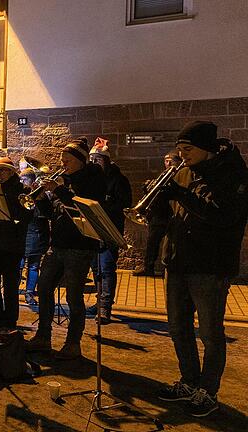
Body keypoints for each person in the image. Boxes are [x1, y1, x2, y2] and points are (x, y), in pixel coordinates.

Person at [155, 121, 248, 418]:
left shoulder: (232, 174)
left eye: (188, 149)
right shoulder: (184, 171)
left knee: (210, 333)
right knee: (178, 329)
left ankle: (208, 391)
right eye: (179, 149)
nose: (182, 155)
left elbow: (222, 216)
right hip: (178, 261)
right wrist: (157, 198)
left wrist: (180, 194)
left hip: (209, 265)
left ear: (206, 148)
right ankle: (188, 381)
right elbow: (173, 214)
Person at [26, 138, 106, 359]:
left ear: (80, 160)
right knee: (43, 288)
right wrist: (41, 199)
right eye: (62, 159)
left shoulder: (92, 179)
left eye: (67, 160)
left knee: (73, 296)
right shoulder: (65, 179)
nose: (63, 163)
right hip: (58, 244)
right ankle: (43, 337)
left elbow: (82, 207)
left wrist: (59, 189)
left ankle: (73, 343)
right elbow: (54, 213)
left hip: (79, 247)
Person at [0, 158, 32, 332]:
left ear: (11, 172)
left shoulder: (22, 190)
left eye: (2, 171)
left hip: (12, 246)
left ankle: (9, 324)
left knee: (10, 288)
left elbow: (27, 217)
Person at [86, 137, 132, 324]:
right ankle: (99, 302)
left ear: (105, 160)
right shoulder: (91, 179)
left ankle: (105, 307)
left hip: (110, 228)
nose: (94, 163)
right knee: (96, 269)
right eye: (92, 160)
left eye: (98, 160)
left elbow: (124, 204)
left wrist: (103, 205)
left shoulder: (119, 180)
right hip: (92, 229)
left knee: (106, 268)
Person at [134, 150, 183, 276]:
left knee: (166, 243)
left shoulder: (179, 175)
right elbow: (156, 194)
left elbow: (169, 196)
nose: (167, 163)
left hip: (166, 215)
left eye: (170, 161)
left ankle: (164, 268)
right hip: (157, 214)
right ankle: (148, 267)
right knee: (152, 243)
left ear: (177, 162)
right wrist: (148, 187)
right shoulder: (165, 174)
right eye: (165, 161)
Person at [19, 167, 50, 306]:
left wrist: (40, 198)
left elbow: (46, 214)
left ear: (32, 181)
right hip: (22, 233)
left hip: (36, 233)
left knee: (33, 266)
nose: (21, 182)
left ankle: (29, 293)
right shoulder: (19, 193)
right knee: (18, 265)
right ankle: (14, 290)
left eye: (24, 180)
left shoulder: (41, 195)